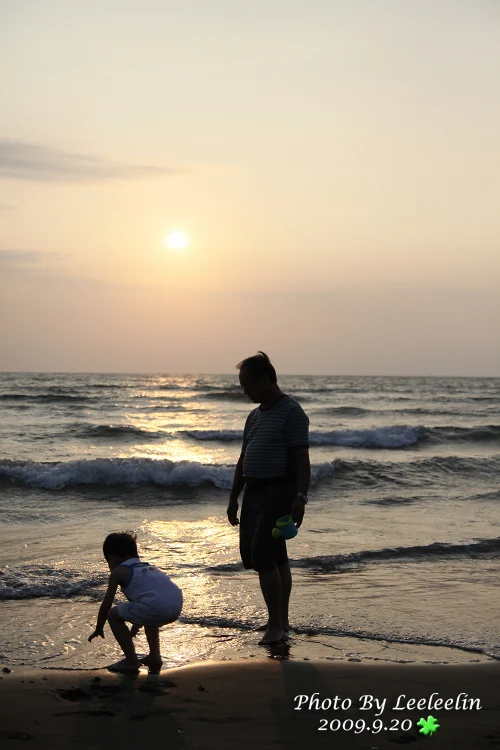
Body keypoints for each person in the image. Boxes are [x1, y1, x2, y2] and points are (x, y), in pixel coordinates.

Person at [227, 351, 310, 645]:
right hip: (254, 493)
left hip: (279, 492)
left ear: (264, 379)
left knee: (264, 557)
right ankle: (282, 621)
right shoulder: (254, 416)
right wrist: (234, 496)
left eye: (247, 384)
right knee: (274, 557)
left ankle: (275, 624)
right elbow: (243, 458)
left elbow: (302, 460)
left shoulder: (292, 412)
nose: (244, 390)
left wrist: (300, 496)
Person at [88, 531, 183, 673]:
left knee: (113, 614)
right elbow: (140, 603)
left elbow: (107, 604)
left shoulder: (119, 572)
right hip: (176, 604)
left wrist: (99, 627)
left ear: (111, 557)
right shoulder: (147, 567)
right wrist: (135, 625)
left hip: (155, 606)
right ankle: (155, 657)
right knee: (150, 618)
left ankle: (131, 660)